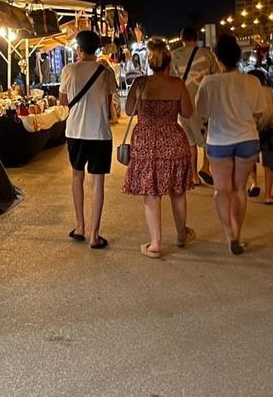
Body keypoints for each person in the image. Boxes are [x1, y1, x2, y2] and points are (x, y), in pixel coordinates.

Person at [195, 35, 272, 255]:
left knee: (222, 190)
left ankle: (229, 235)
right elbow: (259, 112)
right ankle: (238, 234)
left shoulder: (209, 82)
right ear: (238, 57)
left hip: (219, 141)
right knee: (240, 189)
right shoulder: (252, 82)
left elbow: (202, 112)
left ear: (217, 58)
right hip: (247, 139)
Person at [122, 38, 195, 258]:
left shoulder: (140, 83)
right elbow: (187, 113)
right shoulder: (177, 84)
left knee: (151, 194)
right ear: (168, 61)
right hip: (174, 142)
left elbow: (128, 111)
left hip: (145, 145)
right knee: (177, 191)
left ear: (149, 61)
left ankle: (155, 244)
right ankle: (181, 234)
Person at [60, 30, 119, 249]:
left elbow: (63, 101)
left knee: (77, 176)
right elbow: (110, 99)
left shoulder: (69, 70)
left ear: (79, 49)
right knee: (98, 182)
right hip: (100, 133)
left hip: (75, 132)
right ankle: (94, 235)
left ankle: (80, 227)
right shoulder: (106, 71)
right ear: (97, 49)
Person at [171, 26, 220, 186]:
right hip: (205, 102)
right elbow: (216, 77)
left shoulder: (174, 56)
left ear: (181, 38)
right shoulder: (208, 54)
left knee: (190, 141)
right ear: (197, 37)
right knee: (208, 138)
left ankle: (194, 176)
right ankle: (206, 168)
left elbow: (170, 80)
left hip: (183, 104)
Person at [246, 69, 273, 204]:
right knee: (269, 164)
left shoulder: (246, 93)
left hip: (250, 132)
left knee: (250, 160)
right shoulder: (269, 91)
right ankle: (268, 196)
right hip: (269, 132)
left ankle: (254, 184)